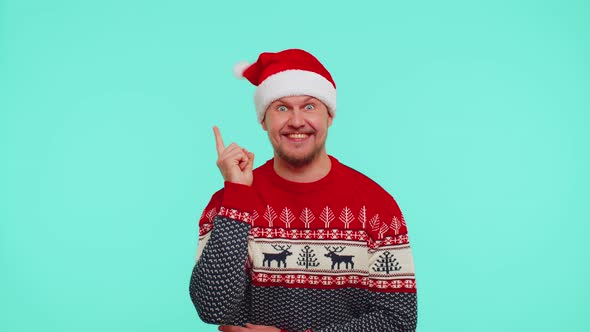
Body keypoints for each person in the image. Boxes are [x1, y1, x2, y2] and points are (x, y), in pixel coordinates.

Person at [189, 49, 417, 332]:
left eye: (309, 106)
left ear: (329, 116)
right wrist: (237, 195)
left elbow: (398, 320)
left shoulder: (377, 207)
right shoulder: (229, 202)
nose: (296, 121)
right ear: (263, 120)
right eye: (281, 108)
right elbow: (213, 308)